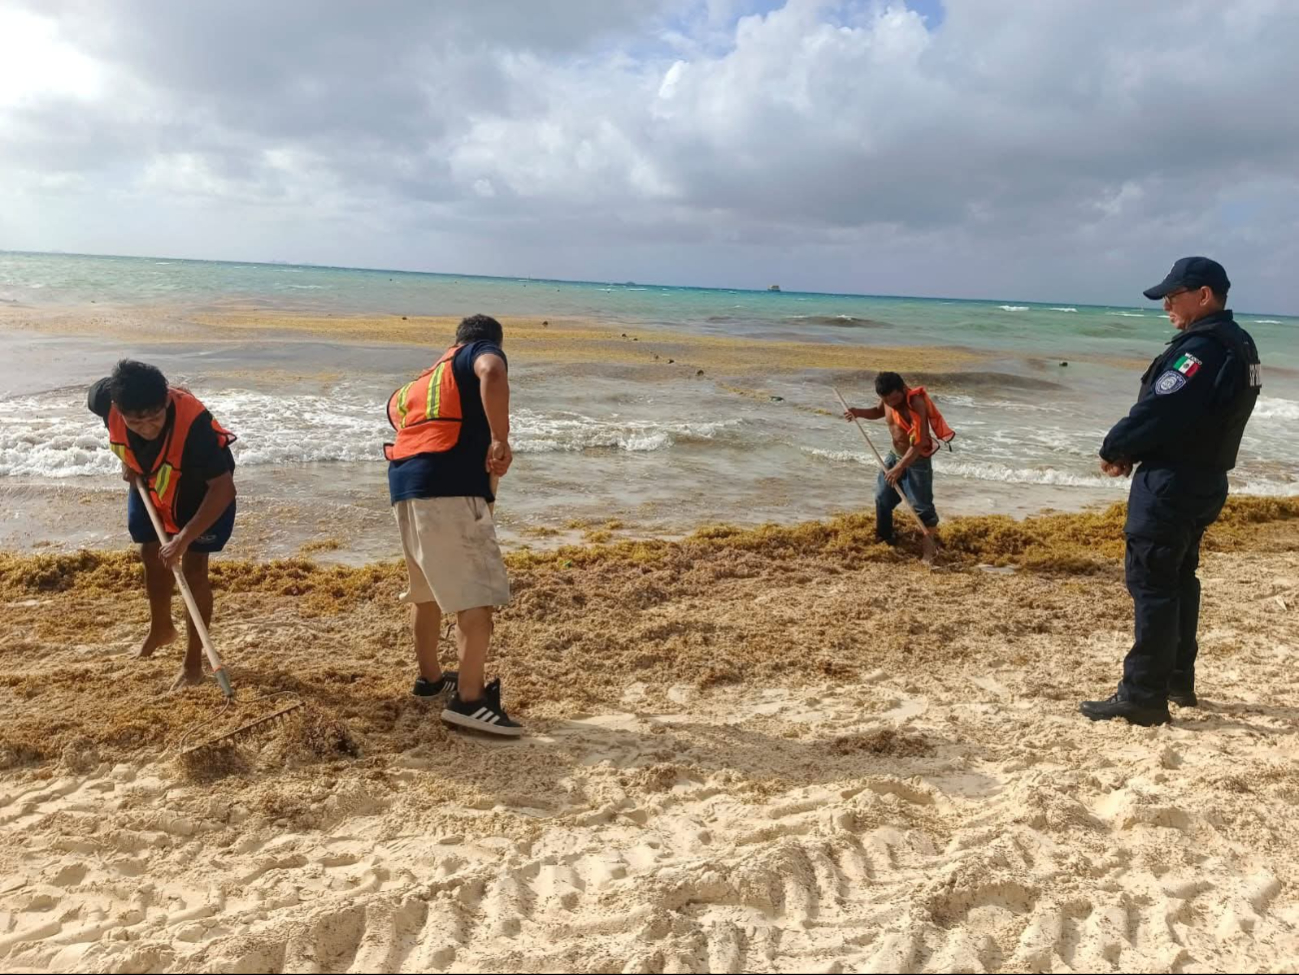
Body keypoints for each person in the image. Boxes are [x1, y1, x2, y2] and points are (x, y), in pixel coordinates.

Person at [1082, 257, 1262, 726]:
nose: (1166, 304)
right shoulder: (1239, 343)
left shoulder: (1200, 350)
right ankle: (1178, 679)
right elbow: (1195, 416)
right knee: (1179, 579)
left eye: (1173, 295)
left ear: (1203, 296)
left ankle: (1143, 694)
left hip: (1171, 484)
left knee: (1153, 584)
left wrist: (1115, 448)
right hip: (1204, 480)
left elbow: (1163, 409)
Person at [385, 314, 520, 736]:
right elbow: (493, 373)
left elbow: (397, 419)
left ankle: (429, 680)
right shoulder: (478, 354)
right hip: (449, 492)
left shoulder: (421, 381)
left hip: (407, 489)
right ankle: (470, 699)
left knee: (425, 593)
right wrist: (500, 437)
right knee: (474, 600)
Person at [87, 360, 238, 690]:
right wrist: (128, 462)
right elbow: (117, 425)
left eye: (154, 417)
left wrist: (183, 539)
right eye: (135, 420)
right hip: (151, 481)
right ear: (117, 408)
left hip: (203, 491)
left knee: (194, 567)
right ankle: (161, 629)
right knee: (150, 551)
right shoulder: (104, 399)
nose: (146, 427)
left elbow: (223, 489)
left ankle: (193, 665)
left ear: (167, 401)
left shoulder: (195, 427)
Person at [843, 371, 954, 544]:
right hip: (895, 455)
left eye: (895, 400)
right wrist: (858, 412)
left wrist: (899, 468)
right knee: (882, 498)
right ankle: (885, 537)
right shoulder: (887, 399)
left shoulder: (916, 403)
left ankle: (929, 547)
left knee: (922, 507)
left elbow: (918, 443)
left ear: (903, 389)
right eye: (887, 401)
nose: (892, 405)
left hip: (917, 460)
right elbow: (878, 411)